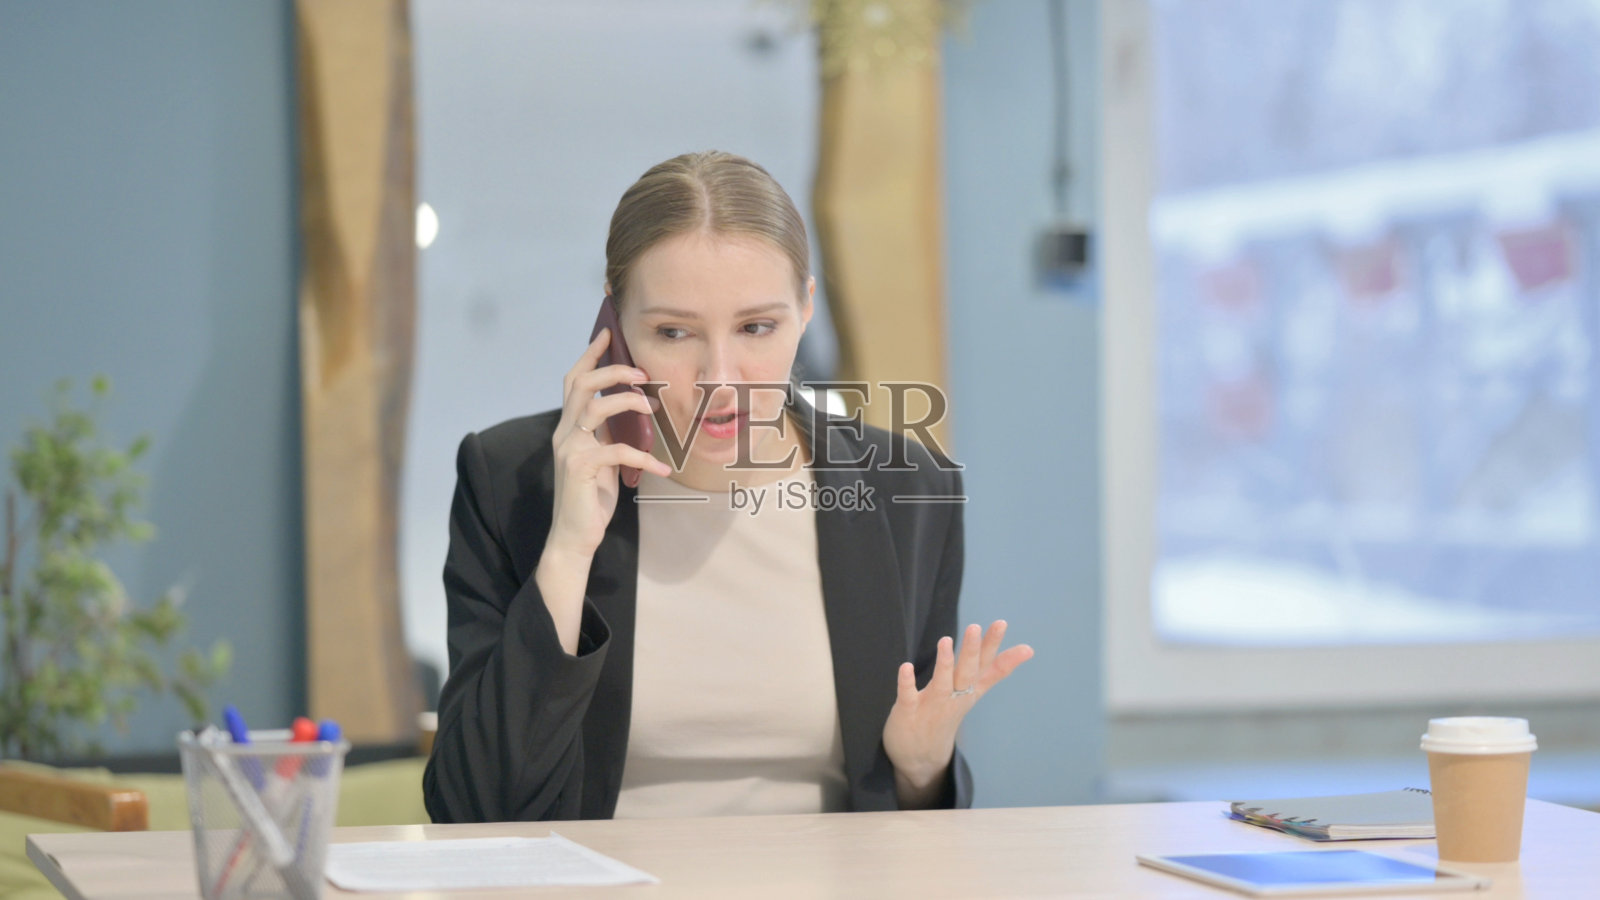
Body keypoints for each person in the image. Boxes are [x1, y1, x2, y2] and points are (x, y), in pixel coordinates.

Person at [423, 150, 1033, 823]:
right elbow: (471, 809)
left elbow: (909, 827)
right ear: (615, 324)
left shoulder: (909, 492)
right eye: (673, 332)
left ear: (805, 307)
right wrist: (567, 553)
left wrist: (922, 771)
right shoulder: (513, 481)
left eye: (756, 328)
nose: (721, 377)